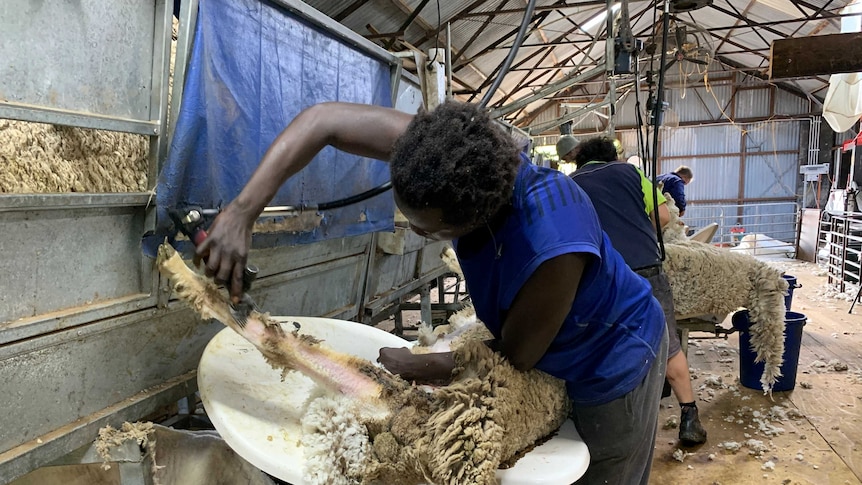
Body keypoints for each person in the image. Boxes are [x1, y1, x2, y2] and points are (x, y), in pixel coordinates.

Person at [197, 101, 668, 484]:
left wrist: (428, 363)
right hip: (543, 327)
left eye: (427, 230)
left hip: (612, 353)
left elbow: (520, 353)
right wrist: (242, 211)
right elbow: (323, 121)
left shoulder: (553, 243)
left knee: (601, 471)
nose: (418, 234)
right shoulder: (451, 154)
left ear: (473, 216)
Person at [560, 136, 707, 445]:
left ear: (580, 162)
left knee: (608, 347)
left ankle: (614, 424)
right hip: (646, 271)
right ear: (611, 156)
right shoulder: (629, 173)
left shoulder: (571, 184)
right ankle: (689, 416)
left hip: (602, 278)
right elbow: (664, 216)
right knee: (669, 345)